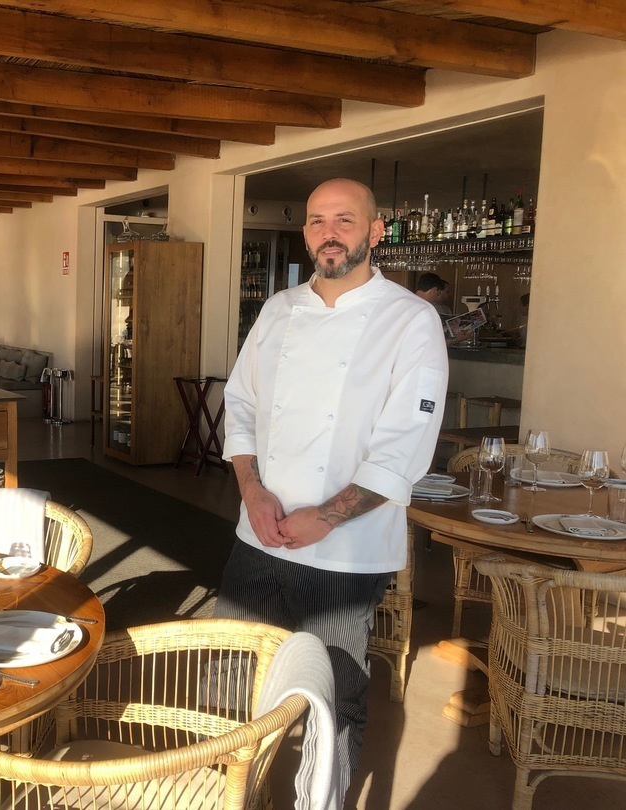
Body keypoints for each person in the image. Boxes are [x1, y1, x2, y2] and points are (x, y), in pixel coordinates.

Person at [214, 178, 448, 799]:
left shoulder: (411, 320)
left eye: (345, 219)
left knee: (333, 695)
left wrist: (325, 515)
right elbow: (241, 403)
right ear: (306, 234)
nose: (330, 233)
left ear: (375, 231)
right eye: (318, 221)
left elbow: (405, 446)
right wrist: (251, 490)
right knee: (229, 675)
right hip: (259, 533)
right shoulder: (278, 309)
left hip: (345, 549)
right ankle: (227, 794)